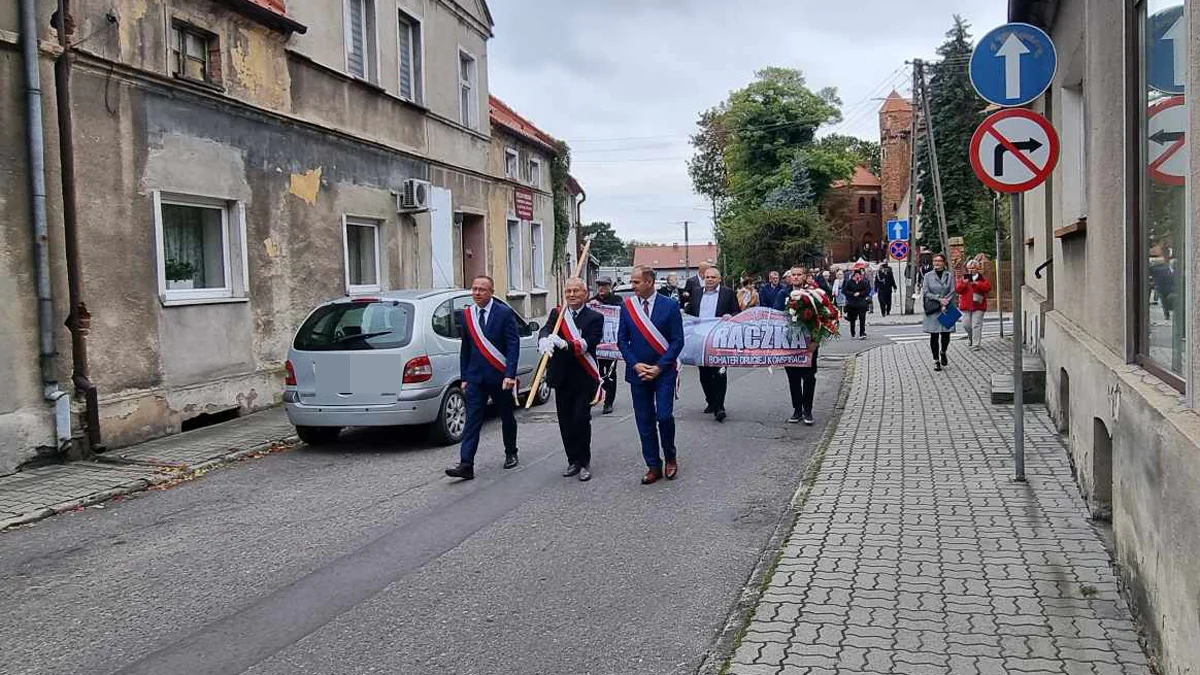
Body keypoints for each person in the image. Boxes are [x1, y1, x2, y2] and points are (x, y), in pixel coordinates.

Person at [445, 275, 521, 480]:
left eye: (482, 289)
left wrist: (510, 374)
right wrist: (464, 377)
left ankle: (511, 452)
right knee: (472, 420)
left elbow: (513, 345)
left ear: (491, 292)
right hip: (476, 378)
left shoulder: (504, 313)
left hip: (499, 376)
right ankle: (466, 464)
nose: (477, 293)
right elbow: (466, 348)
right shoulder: (467, 315)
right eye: (474, 289)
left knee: (506, 416)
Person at [619, 266, 685, 484]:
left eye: (636, 282)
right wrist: (635, 364)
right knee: (644, 420)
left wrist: (660, 366)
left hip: (663, 372)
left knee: (664, 416)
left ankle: (670, 457)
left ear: (649, 282)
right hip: (638, 372)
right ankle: (653, 465)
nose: (633, 286)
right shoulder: (627, 307)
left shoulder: (670, 305)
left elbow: (677, 341)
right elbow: (622, 340)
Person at [538, 278, 605, 481]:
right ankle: (572, 460)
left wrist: (565, 344)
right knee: (565, 421)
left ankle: (584, 461)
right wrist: (543, 339)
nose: (572, 294)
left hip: (583, 376)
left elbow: (589, 342)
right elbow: (546, 329)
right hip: (561, 376)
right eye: (568, 291)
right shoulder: (558, 314)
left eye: (576, 291)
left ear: (585, 293)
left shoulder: (594, 317)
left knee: (580, 419)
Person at [685, 266, 739, 422]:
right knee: (705, 374)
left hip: (719, 338)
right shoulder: (696, 292)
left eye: (713, 277)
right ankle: (711, 400)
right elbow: (689, 311)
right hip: (700, 338)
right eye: (707, 277)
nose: (709, 280)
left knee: (720, 373)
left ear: (719, 279)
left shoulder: (728, 293)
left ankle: (719, 406)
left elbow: (737, 311)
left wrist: (731, 315)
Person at [773, 268, 822, 425]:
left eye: (798, 275)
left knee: (808, 377)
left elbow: (822, 318)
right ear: (789, 278)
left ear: (804, 277)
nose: (795, 277)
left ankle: (808, 411)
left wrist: (816, 340)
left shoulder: (813, 293)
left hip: (808, 344)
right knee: (793, 378)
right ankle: (797, 410)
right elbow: (776, 314)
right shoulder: (783, 294)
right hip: (789, 343)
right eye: (793, 275)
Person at [590, 277, 623, 415]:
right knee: (596, 372)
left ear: (610, 287)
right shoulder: (593, 300)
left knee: (609, 373)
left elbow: (620, 312)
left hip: (610, 344)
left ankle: (608, 402)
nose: (601, 289)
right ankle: (596, 396)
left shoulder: (616, 300)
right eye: (599, 286)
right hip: (596, 344)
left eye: (604, 286)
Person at [923, 254, 957, 371]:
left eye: (939, 261)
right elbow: (926, 292)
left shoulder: (950, 275)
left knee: (946, 334)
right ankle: (936, 360)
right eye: (935, 261)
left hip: (948, 307)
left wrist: (945, 302)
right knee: (934, 335)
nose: (936, 263)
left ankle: (943, 352)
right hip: (933, 308)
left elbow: (953, 290)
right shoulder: (928, 276)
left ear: (944, 263)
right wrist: (939, 300)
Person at [956, 259, 993, 351]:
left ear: (977, 268)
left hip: (978, 305)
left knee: (976, 324)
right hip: (966, 306)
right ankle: (971, 337)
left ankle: (976, 344)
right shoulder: (964, 278)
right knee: (966, 325)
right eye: (969, 268)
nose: (971, 270)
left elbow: (988, 288)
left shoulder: (982, 278)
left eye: (973, 268)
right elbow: (957, 289)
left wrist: (977, 284)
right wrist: (964, 284)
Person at [842, 265, 871, 339]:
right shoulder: (849, 282)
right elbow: (844, 291)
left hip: (861, 303)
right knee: (852, 319)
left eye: (859, 275)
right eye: (856, 275)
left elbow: (867, 291)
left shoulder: (864, 282)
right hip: (852, 304)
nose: (857, 276)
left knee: (862, 318)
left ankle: (862, 333)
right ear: (853, 276)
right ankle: (853, 332)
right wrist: (852, 294)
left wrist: (860, 293)